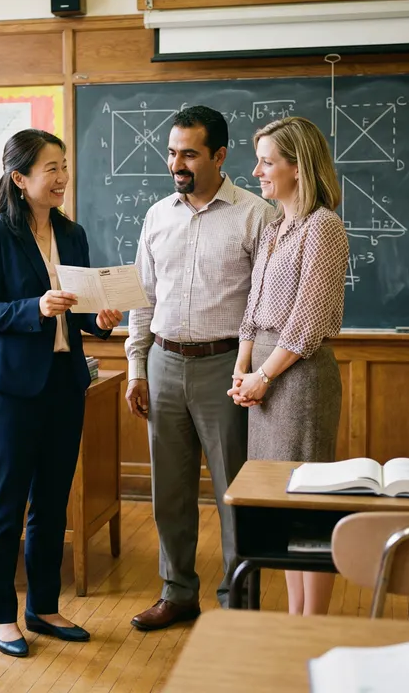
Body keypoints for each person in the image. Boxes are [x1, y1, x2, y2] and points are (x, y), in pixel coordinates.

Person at [0, 128, 122, 658]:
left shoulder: (72, 234)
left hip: (64, 383)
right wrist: (35, 307)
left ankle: (43, 607)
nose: (61, 177)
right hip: (11, 389)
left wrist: (100, 319)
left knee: (52, 504)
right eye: (50, 168)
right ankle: (0, 616)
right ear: (20, 178)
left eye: (64, 166)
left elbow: (78, 309)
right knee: (5, 506)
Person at [125, 105, 276, 630]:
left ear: (219, 155)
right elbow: (142, 297)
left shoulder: (256, 215)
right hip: (164, 363)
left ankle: (239, 601)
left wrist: (253, 372)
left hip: (225, 368)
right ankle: (178, 593)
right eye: (171, 152)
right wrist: (136, 367)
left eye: (189, 153)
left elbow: (268, 308)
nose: (177, 163)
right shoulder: (157, 215)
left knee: (235, 490)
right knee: (168, 489)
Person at [228, 116, 349, 617]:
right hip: (264, 380)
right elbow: (253, 311)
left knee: (307, 508)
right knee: (281, 505)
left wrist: (262, 376)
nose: (256, 171)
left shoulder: (323, 226)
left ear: (298, 168)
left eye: (267, 161)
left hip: (297, 382)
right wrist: (242, 368)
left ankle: (311, 627)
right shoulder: (277, 228)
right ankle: (295, 625)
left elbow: (306, 322)